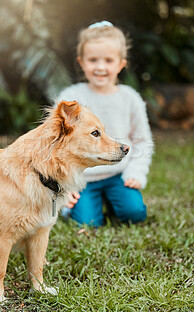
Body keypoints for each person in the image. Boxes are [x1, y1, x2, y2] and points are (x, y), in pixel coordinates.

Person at [58, 21, 154, 226]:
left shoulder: (130, 98)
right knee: (87, 222)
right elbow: (59, 144)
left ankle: (113, 198)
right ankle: (75, 205)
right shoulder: (70, 98)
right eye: (93, 60)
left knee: (135, 214)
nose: (100, 67)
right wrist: (64, 186)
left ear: (121, 64)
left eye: (109, 60)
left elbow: (142, 140)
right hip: (82, 179)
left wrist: (135, 173)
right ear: (81, 62)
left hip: (118, 174)